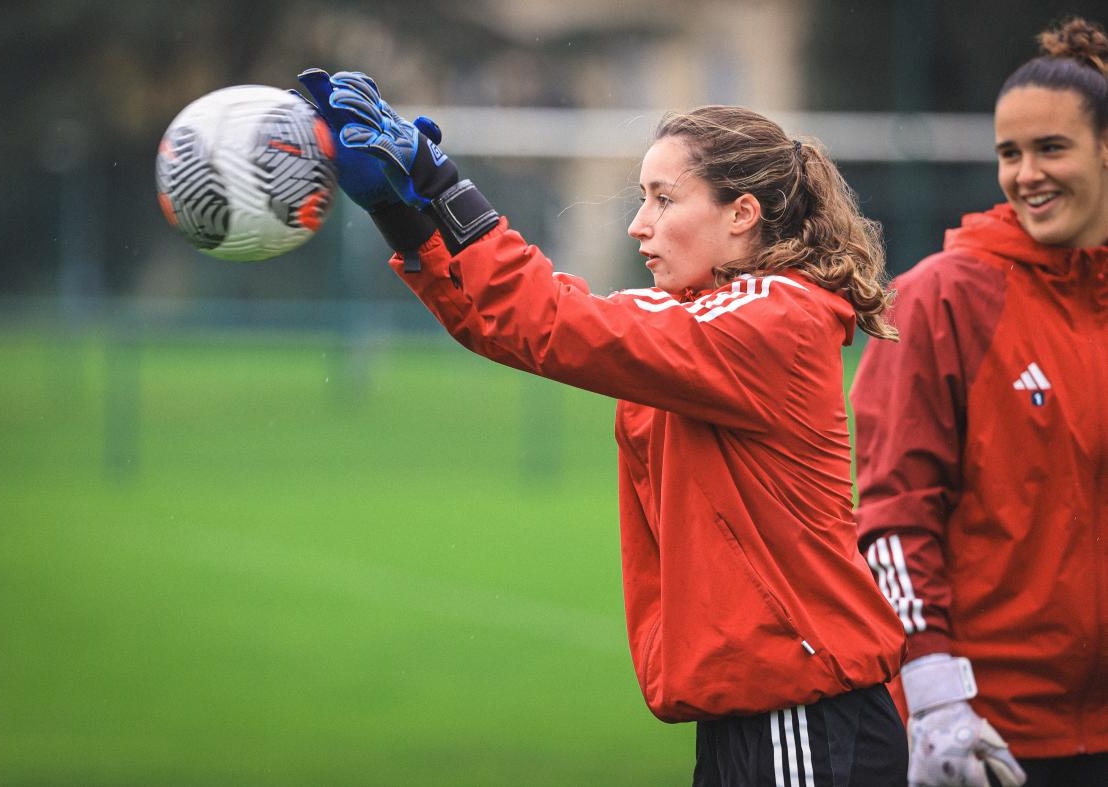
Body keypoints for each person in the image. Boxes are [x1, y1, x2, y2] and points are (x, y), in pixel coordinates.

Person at [295, 67, 908, 786]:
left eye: (662, 199)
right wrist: (403, 214)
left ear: (741, 213)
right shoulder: (706, 320)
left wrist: (439, 179)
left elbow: (551, 319)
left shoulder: (775, 318)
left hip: (805, 717)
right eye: (639, 198)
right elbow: (505, 324)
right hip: (761, 715)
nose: (638, 223)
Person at [852, 16, 1108, 787]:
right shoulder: (941, 298)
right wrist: (935, 701)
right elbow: (894, 517)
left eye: (1051, 148)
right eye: (1009, 153)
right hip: (991, 736)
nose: (1027, 173)